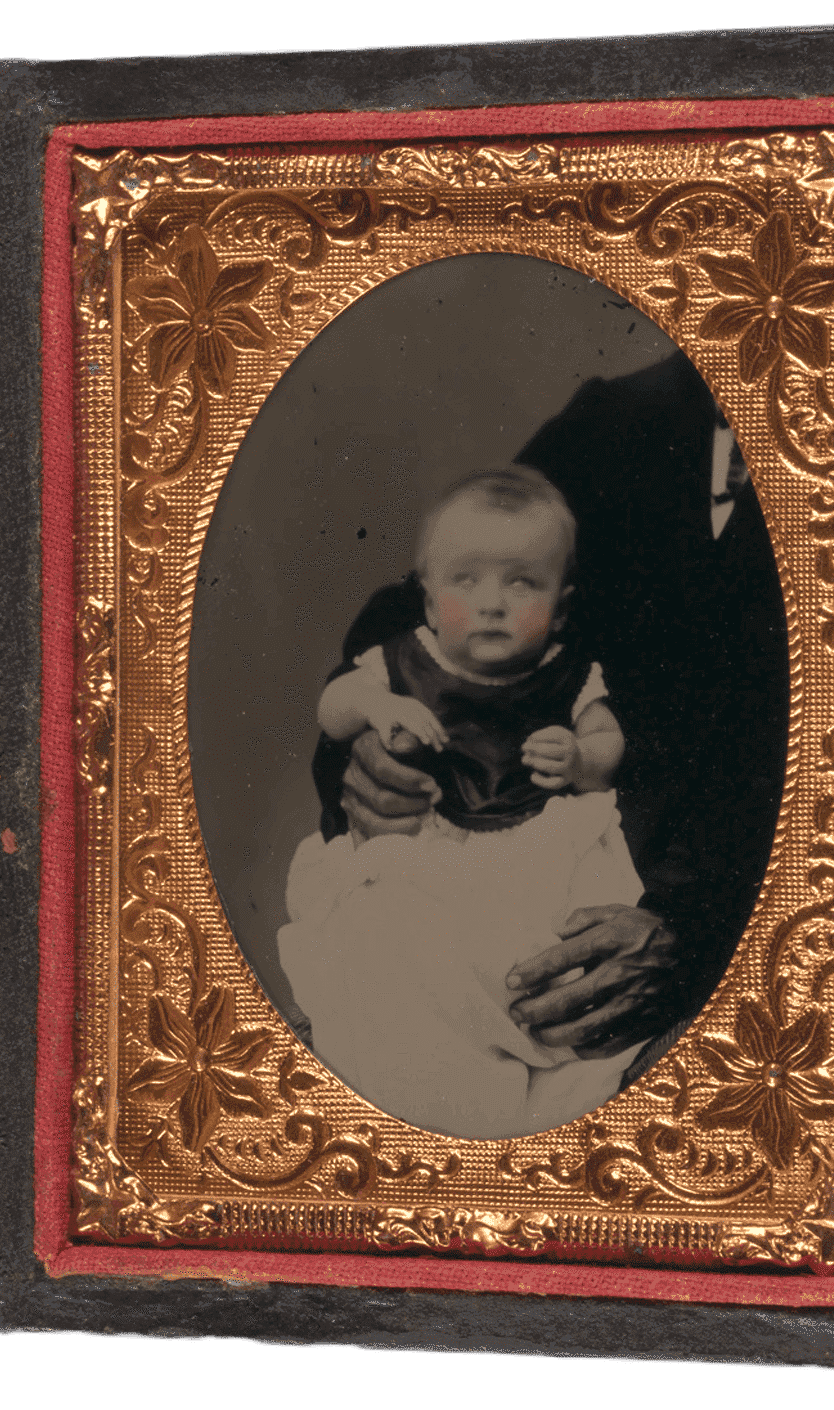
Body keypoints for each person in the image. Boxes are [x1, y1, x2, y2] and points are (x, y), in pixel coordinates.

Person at [311, 351, 788, 1084]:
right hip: (508, 878)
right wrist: (367, 747)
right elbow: (429, 605)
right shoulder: (627, 420)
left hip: (746, 942)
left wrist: (705, 939)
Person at [279, 469, 646, 1137]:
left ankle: (510, 1065)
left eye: (521, 583)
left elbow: (607, 741)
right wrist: (378, 705)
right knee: (403, 934)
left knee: (538, 944)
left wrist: (581, 755)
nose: (492, 604)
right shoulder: (403, 660)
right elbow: (334, 711)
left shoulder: (568, 672)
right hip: (437, 836)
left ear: (561, 609)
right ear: (426, 600)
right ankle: (438, 1083)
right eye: (466, 582)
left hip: (536, 843)